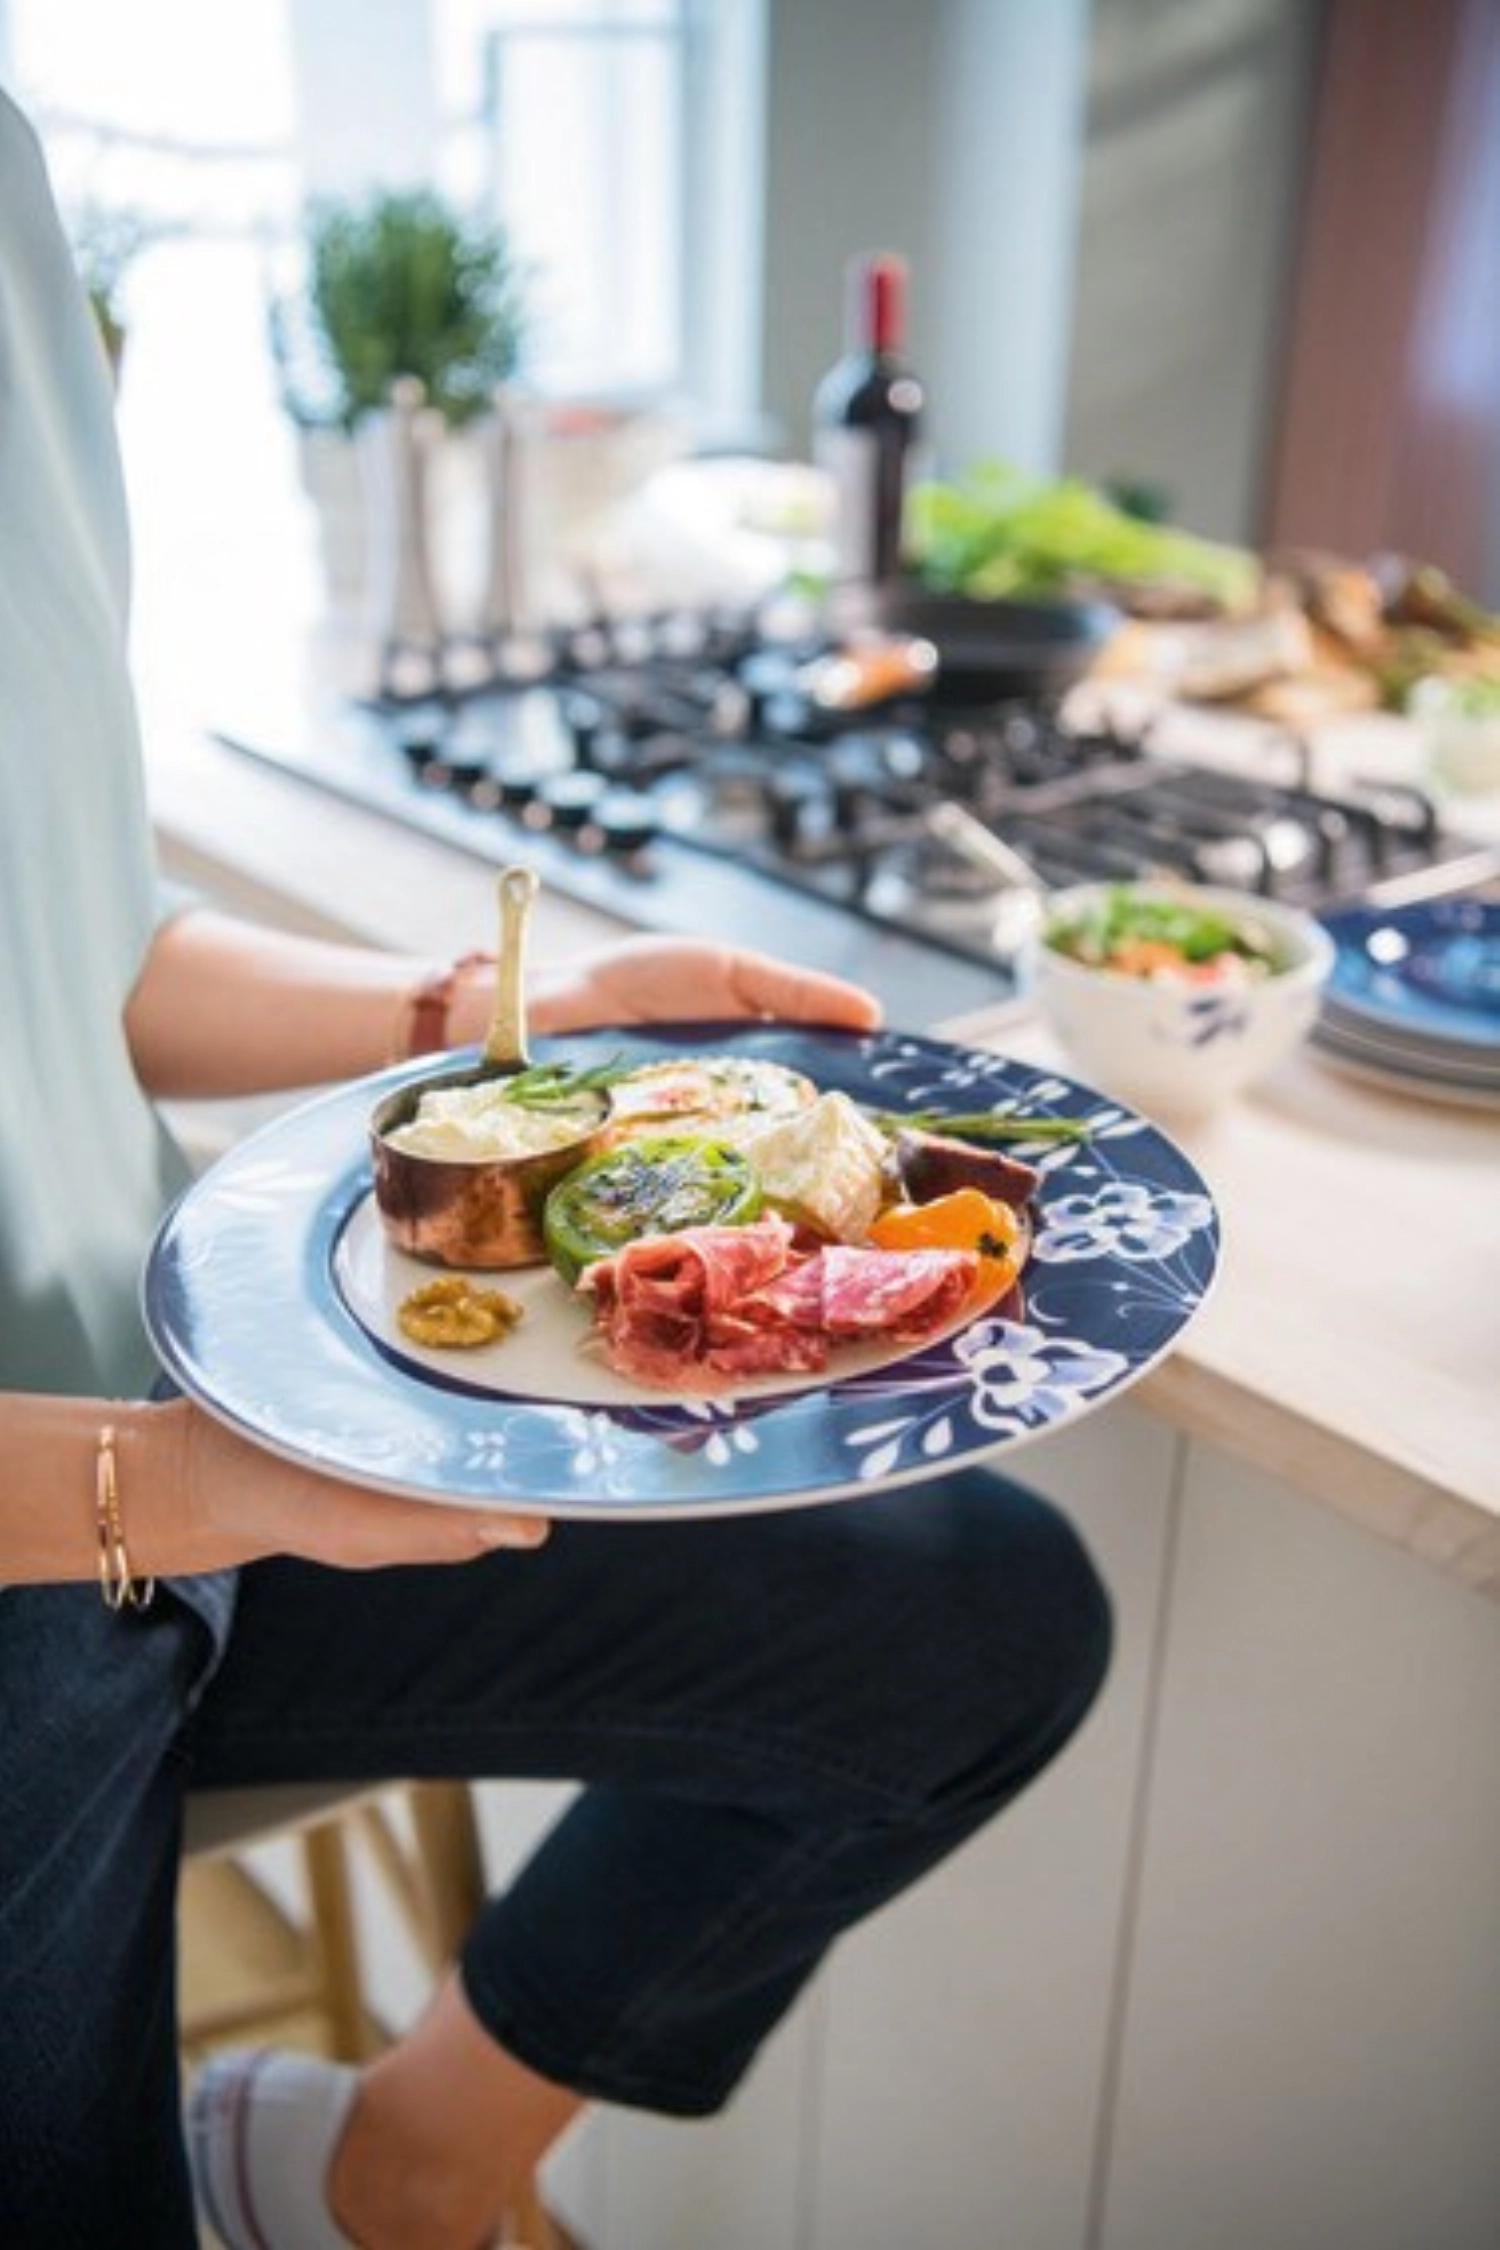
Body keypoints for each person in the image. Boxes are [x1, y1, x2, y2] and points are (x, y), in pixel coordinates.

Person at [0, 85, 1112, 2250]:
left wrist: (514, 1023)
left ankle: (383, 2161)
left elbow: (77, 943)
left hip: (187, 1439)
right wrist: (182, 1487)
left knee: (971, 1621)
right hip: (60, 1557)